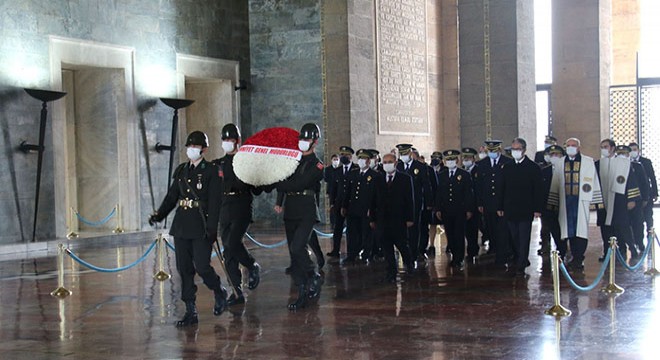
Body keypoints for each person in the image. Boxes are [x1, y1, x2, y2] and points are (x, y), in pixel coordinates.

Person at [149, 131, 227, 326]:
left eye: (195, 146)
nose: (191, 149)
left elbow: (216, 203)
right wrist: (159, 214)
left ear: (204, 149)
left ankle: (219, 290)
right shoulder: (182, 170)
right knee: (184, 269)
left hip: (201, 226)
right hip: (182, 226)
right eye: (189, 146)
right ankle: (190, 309)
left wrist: (212, 229)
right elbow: (172, 196)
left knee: (202, 266)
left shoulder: (212, 171)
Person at [274, 123, 324, 310]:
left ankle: (313, 274)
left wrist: (280, 183)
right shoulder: (292, 160)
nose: (303, 142)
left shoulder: (318, 165)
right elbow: (284, 181)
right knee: (294, 255)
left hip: (307, 211)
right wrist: (279, 199)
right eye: (301, 139)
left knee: (298, 247)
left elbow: (299, 183)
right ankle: (302, 291)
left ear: (315, 142)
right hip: (291, 210)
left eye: (307, 139)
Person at [213, 124, 261, 306]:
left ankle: (252, 265)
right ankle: (236, 291)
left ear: (238, 141)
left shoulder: (246, 162)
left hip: (241, 207)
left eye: (230, 140)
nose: (227, 143)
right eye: (224, 140)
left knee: (232, 243)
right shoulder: (219, 164)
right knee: (229, 253)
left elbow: (256, 188)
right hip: (224, 209)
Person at [547, 138, 603, 270]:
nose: (571, 147)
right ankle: (570, 255)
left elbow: (594, 181)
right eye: (568, 145)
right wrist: (553, 202)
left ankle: (579, 258)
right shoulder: (560, 163)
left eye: (574, 145)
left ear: (579, 147)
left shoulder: (588, 162)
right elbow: (555, 183)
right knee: (568, 231)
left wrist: (595, 202)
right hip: (565, 203)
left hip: (581, 201)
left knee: (581, 231)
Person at [498, 138, 544, 276]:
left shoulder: (533, 167)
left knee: (524, 237)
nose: (515, 152)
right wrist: (500, 206)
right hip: (510, 208)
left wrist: (538, 209)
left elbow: (538, 190)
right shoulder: (507, 166)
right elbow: (502, 188)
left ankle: (522, 263)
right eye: (513, 149)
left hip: (526, 209)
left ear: (523, 150)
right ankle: (519, 257)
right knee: (514, 236)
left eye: (517, 149)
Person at [370, 153, 415, 283]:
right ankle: (391, 272)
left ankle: (409, 263)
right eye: (384, 162)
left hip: (399, 219)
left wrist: (410, 218)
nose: (387, 164)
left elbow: (409, 200)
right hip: (382, 220)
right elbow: (373, 200)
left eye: (389, 161)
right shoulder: (378, 179)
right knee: (387, 248)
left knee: (402, 245)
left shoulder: (405, 179)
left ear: (395, 163)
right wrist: (372, 219)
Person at [596, 144, 643, 261]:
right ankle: (607, 251)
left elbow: (631, 181)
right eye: (602, 146)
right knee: (605, 227)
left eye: (606, 146)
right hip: (604, 199)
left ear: (612, 148)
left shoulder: (623, 163)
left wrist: (631, 199)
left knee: (623, 225)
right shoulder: (599, 163)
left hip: (619, 199)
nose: (604, 149)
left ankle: (631, 248)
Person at [474, 140, 513, 266]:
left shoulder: (507, 162)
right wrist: (480, 203)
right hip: (487, 203)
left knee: (502, 228)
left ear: (499, 150)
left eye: (494, 151)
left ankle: (504, 252)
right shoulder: (481, 164)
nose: (491, 153)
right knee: (489, 227)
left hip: (502, 203)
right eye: (489, 151)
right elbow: (478, 186)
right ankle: (493, 247)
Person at [434, 150, 474, 269]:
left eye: (452, 159)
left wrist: (468, 209)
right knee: (450, 234)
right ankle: (453, 255)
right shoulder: (442, 175)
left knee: (459, 234)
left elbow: (468, 193)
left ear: (457, 160)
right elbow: (439, 193)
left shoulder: (464, 174)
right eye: (448, 160)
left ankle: (459, 258)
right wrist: (438, 209)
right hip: (446, 210)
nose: (450, 162)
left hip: (459, 210)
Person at [396, 143, 432, 268]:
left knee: (414, 230)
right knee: (401, 230)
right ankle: (405, 254)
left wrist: (429, 203)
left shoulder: (420, 167)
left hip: (415, 203)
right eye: (401, 154)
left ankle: (413, 255)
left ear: (410, 153)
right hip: (400, 204)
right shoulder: (398, 166)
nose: (403, 156)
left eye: (405, 153)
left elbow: (426, 186)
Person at [341, 149, 379, 263]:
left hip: (366, 210)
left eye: (364, 159)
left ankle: (366, 254)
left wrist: (372, 211)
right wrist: (344, 206)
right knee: (352, 233)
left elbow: (376, 196)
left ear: (368, 161)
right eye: (360, 159)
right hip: (353, 209)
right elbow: (347, 192)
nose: (361, 161)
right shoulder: (353, 174)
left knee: (366, 233)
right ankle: (351, 255)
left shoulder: (374, 175)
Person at [327, 146, 358, 258]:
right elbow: (333, 189)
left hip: (351, 204)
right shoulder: (337, 171)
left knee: (351, 229)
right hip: (338, 204)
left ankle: (351, 253)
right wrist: (332, 203)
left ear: (350, 156)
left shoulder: (356, 169)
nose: (343, 157)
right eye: (341, 155)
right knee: (337, 228)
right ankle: (335, 251)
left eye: (345, 155)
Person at [540, 145, 566, 259]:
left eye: (557, 155)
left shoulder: (567, 170)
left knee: (564, 230)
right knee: (552, 228)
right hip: (549, 207)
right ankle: (559, 249)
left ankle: (564, 249)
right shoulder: (544, 171)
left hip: (564, 206)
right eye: (552, 155)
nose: (554, 157)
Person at [630, 142, 657, 237]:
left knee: (648, 216)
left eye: (634, 150)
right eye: (631, 150)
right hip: (635, 195)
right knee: (637, 219)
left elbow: (652, 178)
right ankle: (637, 238)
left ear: (638, 151)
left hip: (646, 193)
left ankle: (650, 236)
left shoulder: (646, 161)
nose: (633, 152)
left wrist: (655, 193)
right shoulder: (628, 162)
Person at [461, 147, 481, 259]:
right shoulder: (462, 172)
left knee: (473, 230)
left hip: (475, 206)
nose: (466, 159)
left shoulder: (478, 171)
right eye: (464, 157)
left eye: (468, 157)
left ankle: (473, 250)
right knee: (466, 230)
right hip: (464, 206)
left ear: (473, 158)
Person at [427, 151, 444, 257]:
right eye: (433, 158)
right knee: (433, 224)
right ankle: (432, 245)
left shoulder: (445, 170)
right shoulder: (429, 170)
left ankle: (450, 245)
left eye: (437, 158)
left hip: (444, 201)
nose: (435, 160)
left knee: (446, 224)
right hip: (434, 201)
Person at [324, 153, 340, 227]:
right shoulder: (328, 169)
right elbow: (326, 179)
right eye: (334, 160)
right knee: (332, 207)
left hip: (339, 191)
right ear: (331, 160)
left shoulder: (340, 169)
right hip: (331, 190)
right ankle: (332, 223)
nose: (335, 161)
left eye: (337, 160)